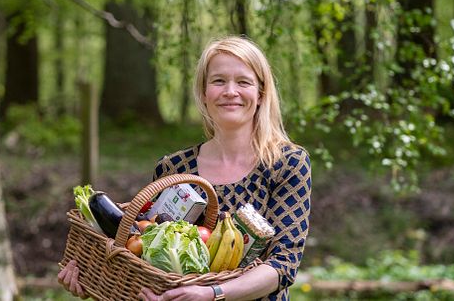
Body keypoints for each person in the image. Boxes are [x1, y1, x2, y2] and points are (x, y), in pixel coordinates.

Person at [59, 36, 311, 301]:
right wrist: (93, 278)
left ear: (261, 94)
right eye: (218, 81)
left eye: (243, 82)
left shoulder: (287, 163)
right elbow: (145, 252)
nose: (230, 91)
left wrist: (213, 294)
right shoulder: (174, 168)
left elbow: (284, 265)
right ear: (204, 93)